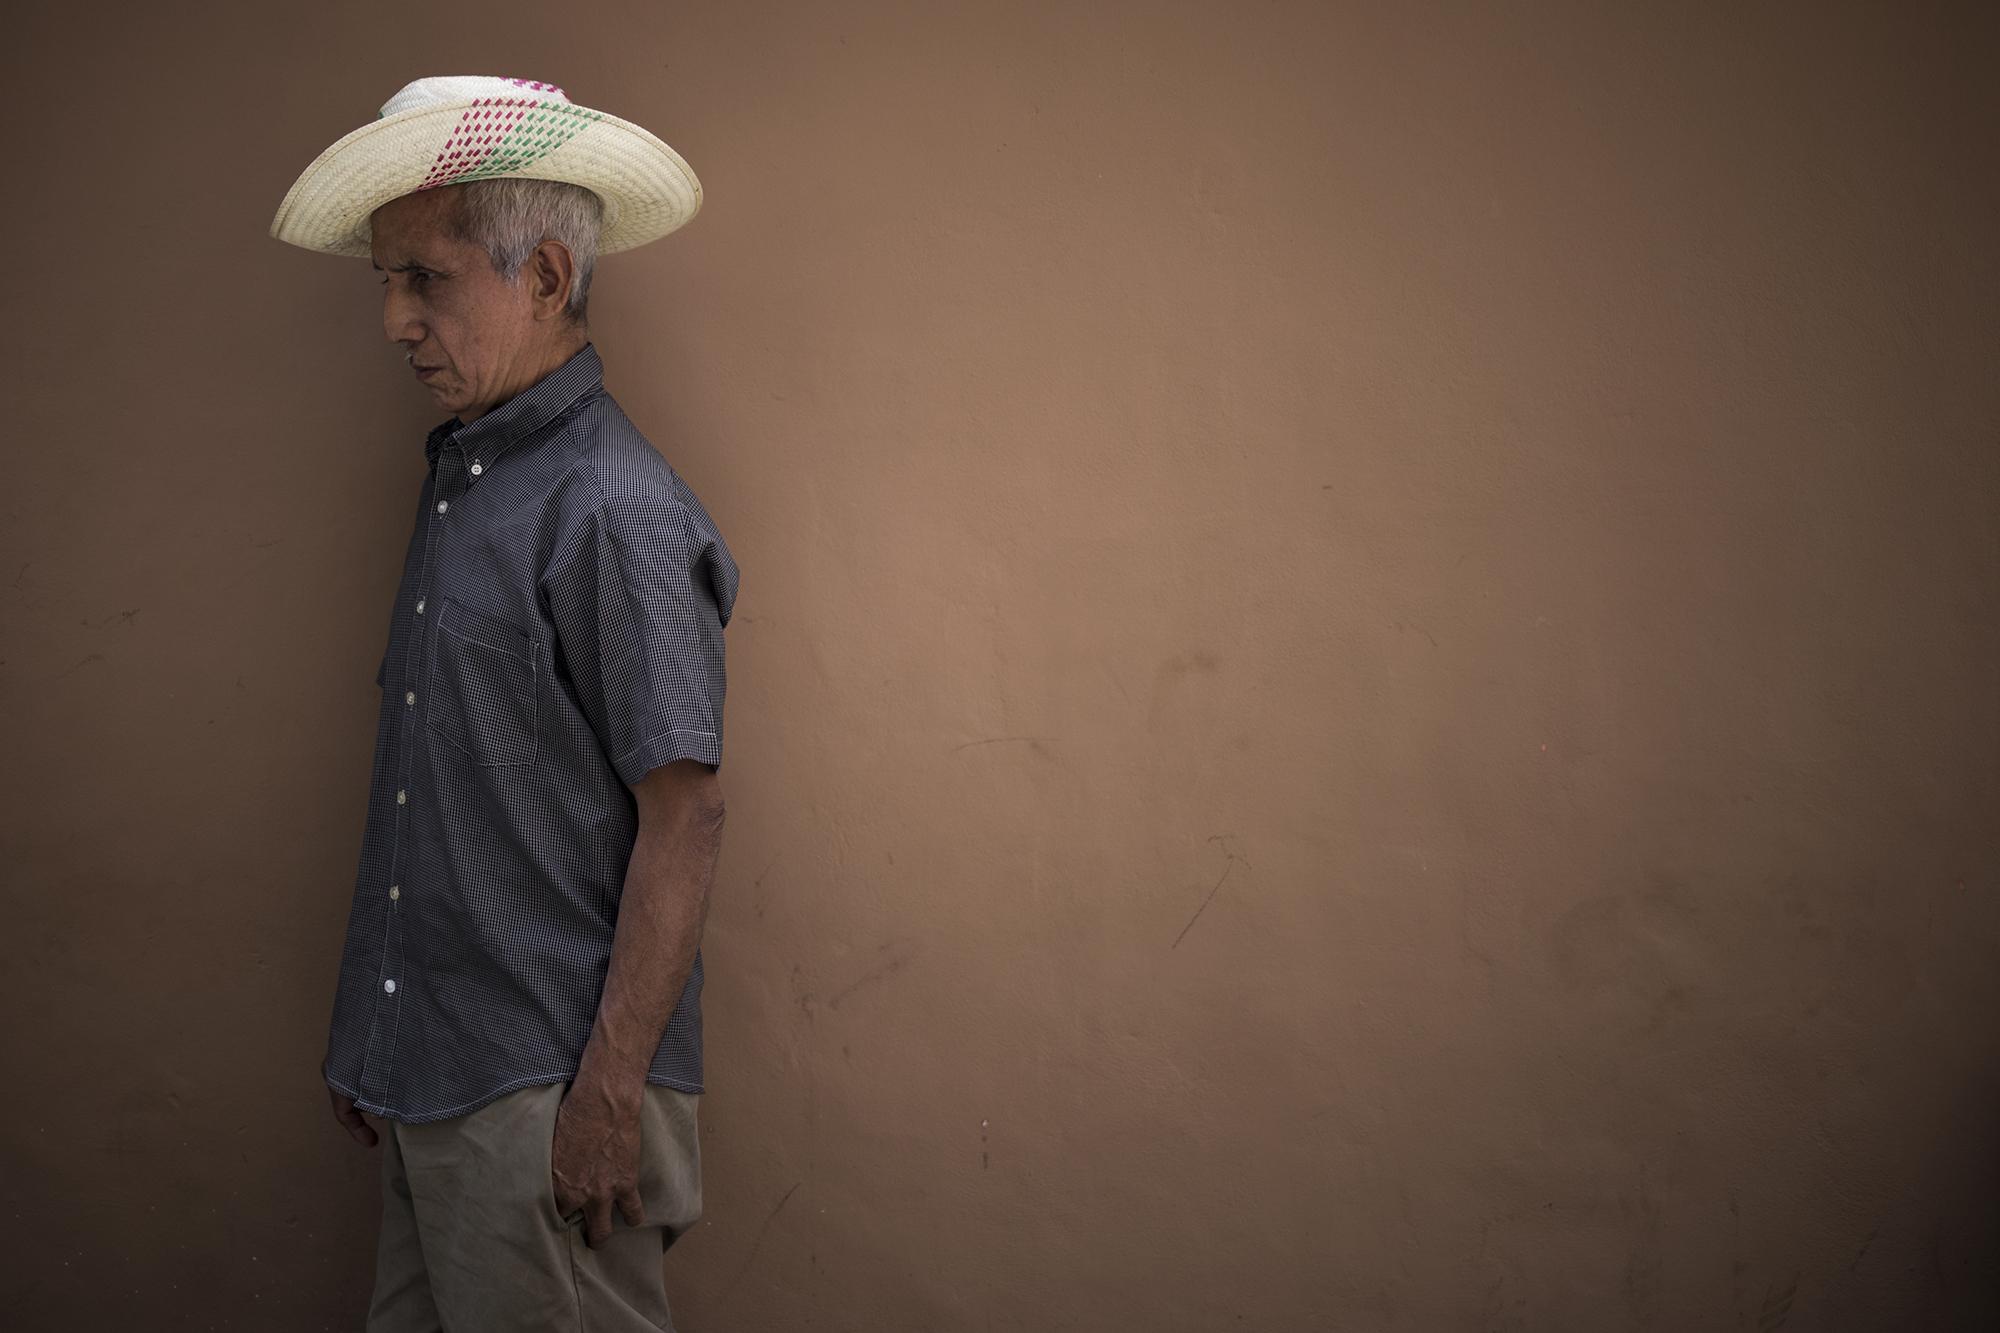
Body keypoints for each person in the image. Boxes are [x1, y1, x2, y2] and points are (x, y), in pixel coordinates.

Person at [269, 74, 738, 1331]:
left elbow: (683, 822)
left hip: (548, 1107)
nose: (392, 321)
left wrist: (605, 1102)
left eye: (423, 278)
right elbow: (447, 795)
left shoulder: (611, 510)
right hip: (441, 1076)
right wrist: (378, 1024)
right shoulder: (472, 483)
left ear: (540, 279)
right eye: (386, 281)